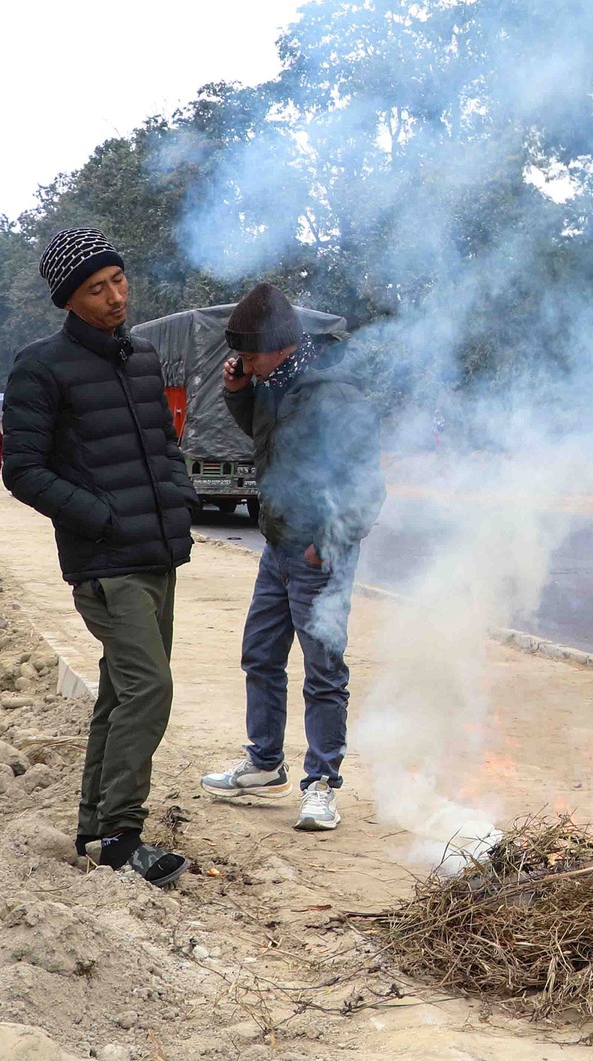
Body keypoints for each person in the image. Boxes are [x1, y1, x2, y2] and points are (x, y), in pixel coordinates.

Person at [4, 227, 197, 887]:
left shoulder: (140, 357)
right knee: (151, 687)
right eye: (96, 289)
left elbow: (163, 445)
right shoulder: (42, 367)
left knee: (120, 692)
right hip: (105, 563)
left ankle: (93, 828)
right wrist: (101, 517)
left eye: (118, 280)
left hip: (157, 554)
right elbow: (23, 470)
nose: (115, 297)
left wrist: (179, 497)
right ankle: (122, 833)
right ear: (68, 299)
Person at [200, 283, 384, 834]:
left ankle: (322, 783)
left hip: (318, 552)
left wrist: (327, 541)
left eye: (249, 356)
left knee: (323, 672)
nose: (243, 364)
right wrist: (238, 393)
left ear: (279, 346)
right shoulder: (274, 384)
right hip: (277, 546)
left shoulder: (334, 395)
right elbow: (270, 446)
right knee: (260, 655)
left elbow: (367, 485)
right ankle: (264, 763)